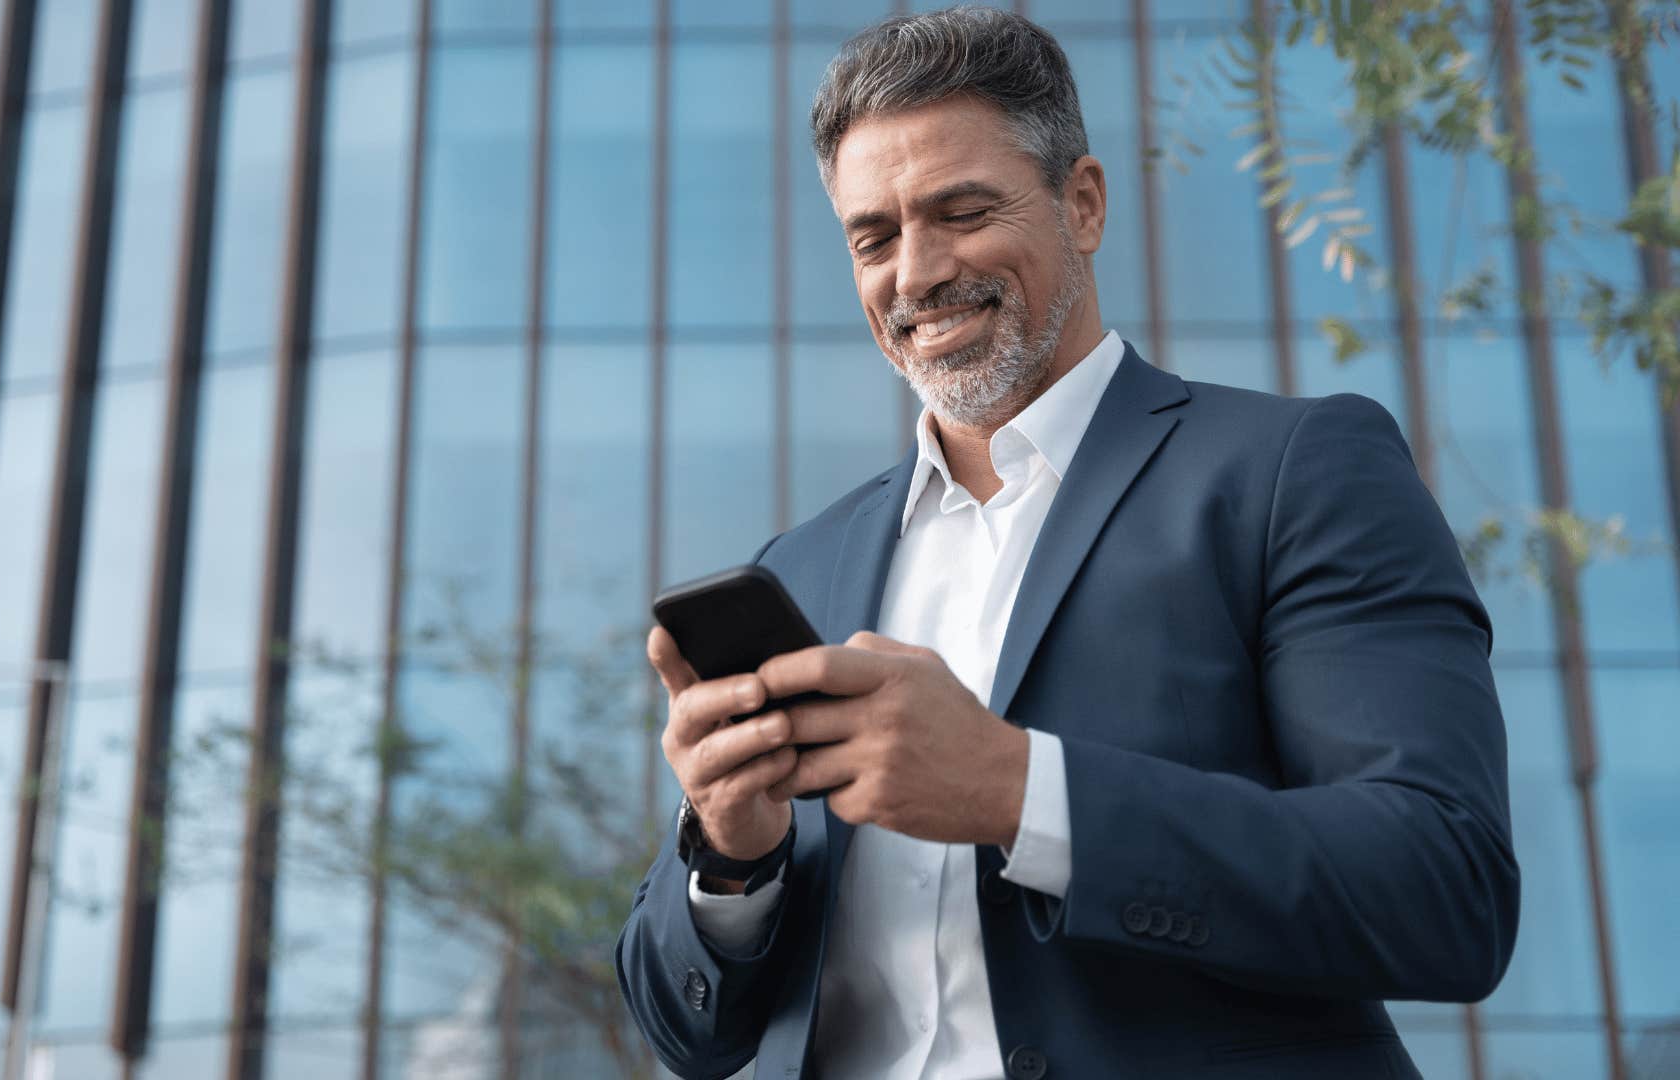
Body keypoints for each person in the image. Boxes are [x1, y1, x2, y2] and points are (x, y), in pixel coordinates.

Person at [615, 7, 1519, 1079]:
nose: (916, 272)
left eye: (961, 210)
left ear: (1081, 204)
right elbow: (686, 1031)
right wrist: (729, 853)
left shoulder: (1294, 471)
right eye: (875, 237)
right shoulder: (798, 568)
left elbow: (1442, 887)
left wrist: (1019, 789)